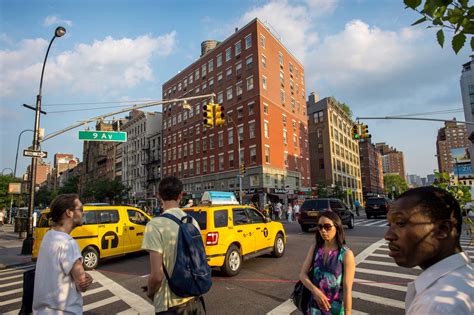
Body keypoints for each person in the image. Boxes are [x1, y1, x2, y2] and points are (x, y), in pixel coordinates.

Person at [384, 186, 473, 314]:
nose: (388, 236)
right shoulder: (467, 277)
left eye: (400, 223)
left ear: (442, 229)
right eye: (389, 225)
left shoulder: (437, 305)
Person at [142, 176, 205, 314]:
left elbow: (157, 276)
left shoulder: (154, 225)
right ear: (180, 196)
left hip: (170, 305)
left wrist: (150, 293)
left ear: (159, 196)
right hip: (194, 298)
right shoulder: (192, 221)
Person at [33, 194, 93, 314]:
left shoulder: (49, 236)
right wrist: (88, 279)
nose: (83, 213)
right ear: (69, 213)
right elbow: (82, 284)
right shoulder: (68, 243)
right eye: (81, 209)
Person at [298, 211, 355, 314]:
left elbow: (347, 290)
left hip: (335, 310)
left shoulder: (346, 254)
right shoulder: (316, 248)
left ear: (337, 227)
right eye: (320, 227)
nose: (323, 231)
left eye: (327, 227)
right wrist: (315, 291)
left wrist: (348, 312)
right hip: (314, 309)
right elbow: (302, 275)